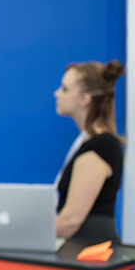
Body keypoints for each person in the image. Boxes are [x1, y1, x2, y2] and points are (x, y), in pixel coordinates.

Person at [53, 60, 125, 242]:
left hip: (90, 253)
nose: (57, 93)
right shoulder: (88, 143)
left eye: (64, 89)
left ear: (84, 99)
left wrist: (25, 238)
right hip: (77, 249)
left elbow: (71, 221)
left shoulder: (101, 146)